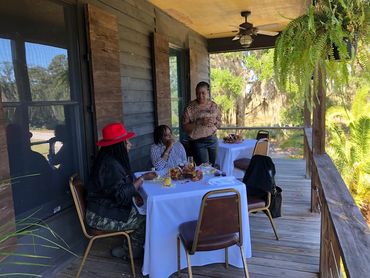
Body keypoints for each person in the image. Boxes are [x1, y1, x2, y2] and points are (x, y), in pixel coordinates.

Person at [85, 122, 157, 259]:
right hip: (98, 216)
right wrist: (142, 179)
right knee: (146, 218)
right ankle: (130, 252)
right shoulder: (109, 165)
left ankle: (134, 246)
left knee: (143, 209)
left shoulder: (109, 160)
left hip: (103, 207)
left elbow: (118, 188)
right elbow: (120, 195)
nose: (130, 144)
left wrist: (135, 192)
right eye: (126, 142)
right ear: (118, 146)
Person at [182, 81, 221, 166]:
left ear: (208, 92)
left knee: (213, 167)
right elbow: (184, 127)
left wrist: (215, 122)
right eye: (198, 93)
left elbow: (219, 124)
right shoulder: (190, 108)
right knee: (205, 169)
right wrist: (199, 122)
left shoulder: (214, 106)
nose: (200, 96)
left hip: (213, 140)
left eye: (203, 93)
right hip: (198, 142)